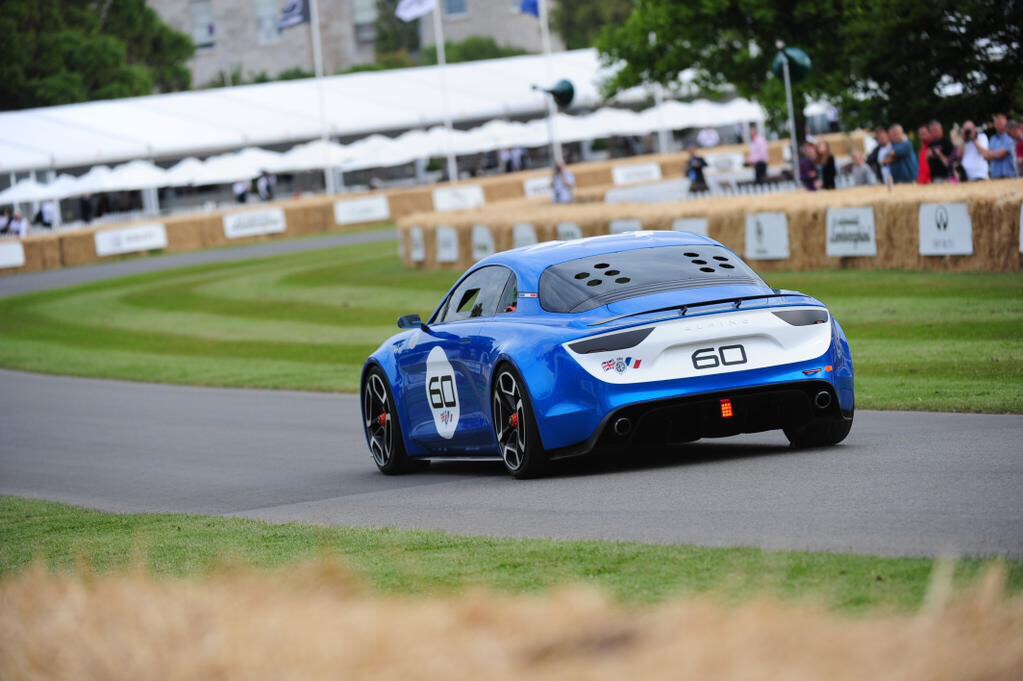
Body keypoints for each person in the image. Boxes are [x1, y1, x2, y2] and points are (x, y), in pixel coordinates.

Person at [988, 114, 1018, 179]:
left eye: (1000, 123)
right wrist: (991, 155)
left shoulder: (1010, 138)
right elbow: (987, 156)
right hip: (995, 176)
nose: (998, 126)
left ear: (1006, 124)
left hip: (1009, 176)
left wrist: (991, 155)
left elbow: (1001, 155)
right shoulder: (992, 139)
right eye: (997, 123)